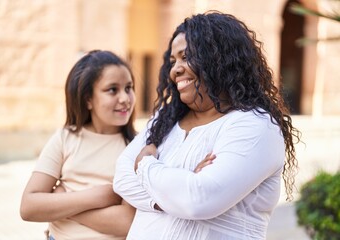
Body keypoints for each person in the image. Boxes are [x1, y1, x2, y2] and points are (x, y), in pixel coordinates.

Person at [113, 11, 301, 240]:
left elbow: (199, 199)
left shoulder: (256, 126)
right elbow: (122, 177)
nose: (175, 69)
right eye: (174, 61)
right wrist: (175, 192)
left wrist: (144, 165)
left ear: (219, 58)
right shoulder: (166, 118)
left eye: (186, 57)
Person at [20, 50, 136, 240]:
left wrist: (62, 201)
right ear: (88, 99)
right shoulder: (65, 138)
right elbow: (29, 207)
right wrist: (99, 196)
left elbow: (126, 223)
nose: (125, 98)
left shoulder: (137, 148)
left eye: (129, 88)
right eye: (112, 90)